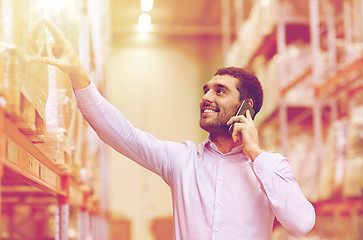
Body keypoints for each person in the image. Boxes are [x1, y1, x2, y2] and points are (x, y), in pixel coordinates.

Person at [28, 19, 315, 240]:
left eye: (220, 91)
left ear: (246, 107)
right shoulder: (182, 160)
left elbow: (301, 223)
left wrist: (255, 153)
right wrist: (77, 72)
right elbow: (123, 134)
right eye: (206, 90)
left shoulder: (271, 166)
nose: (206, 97)